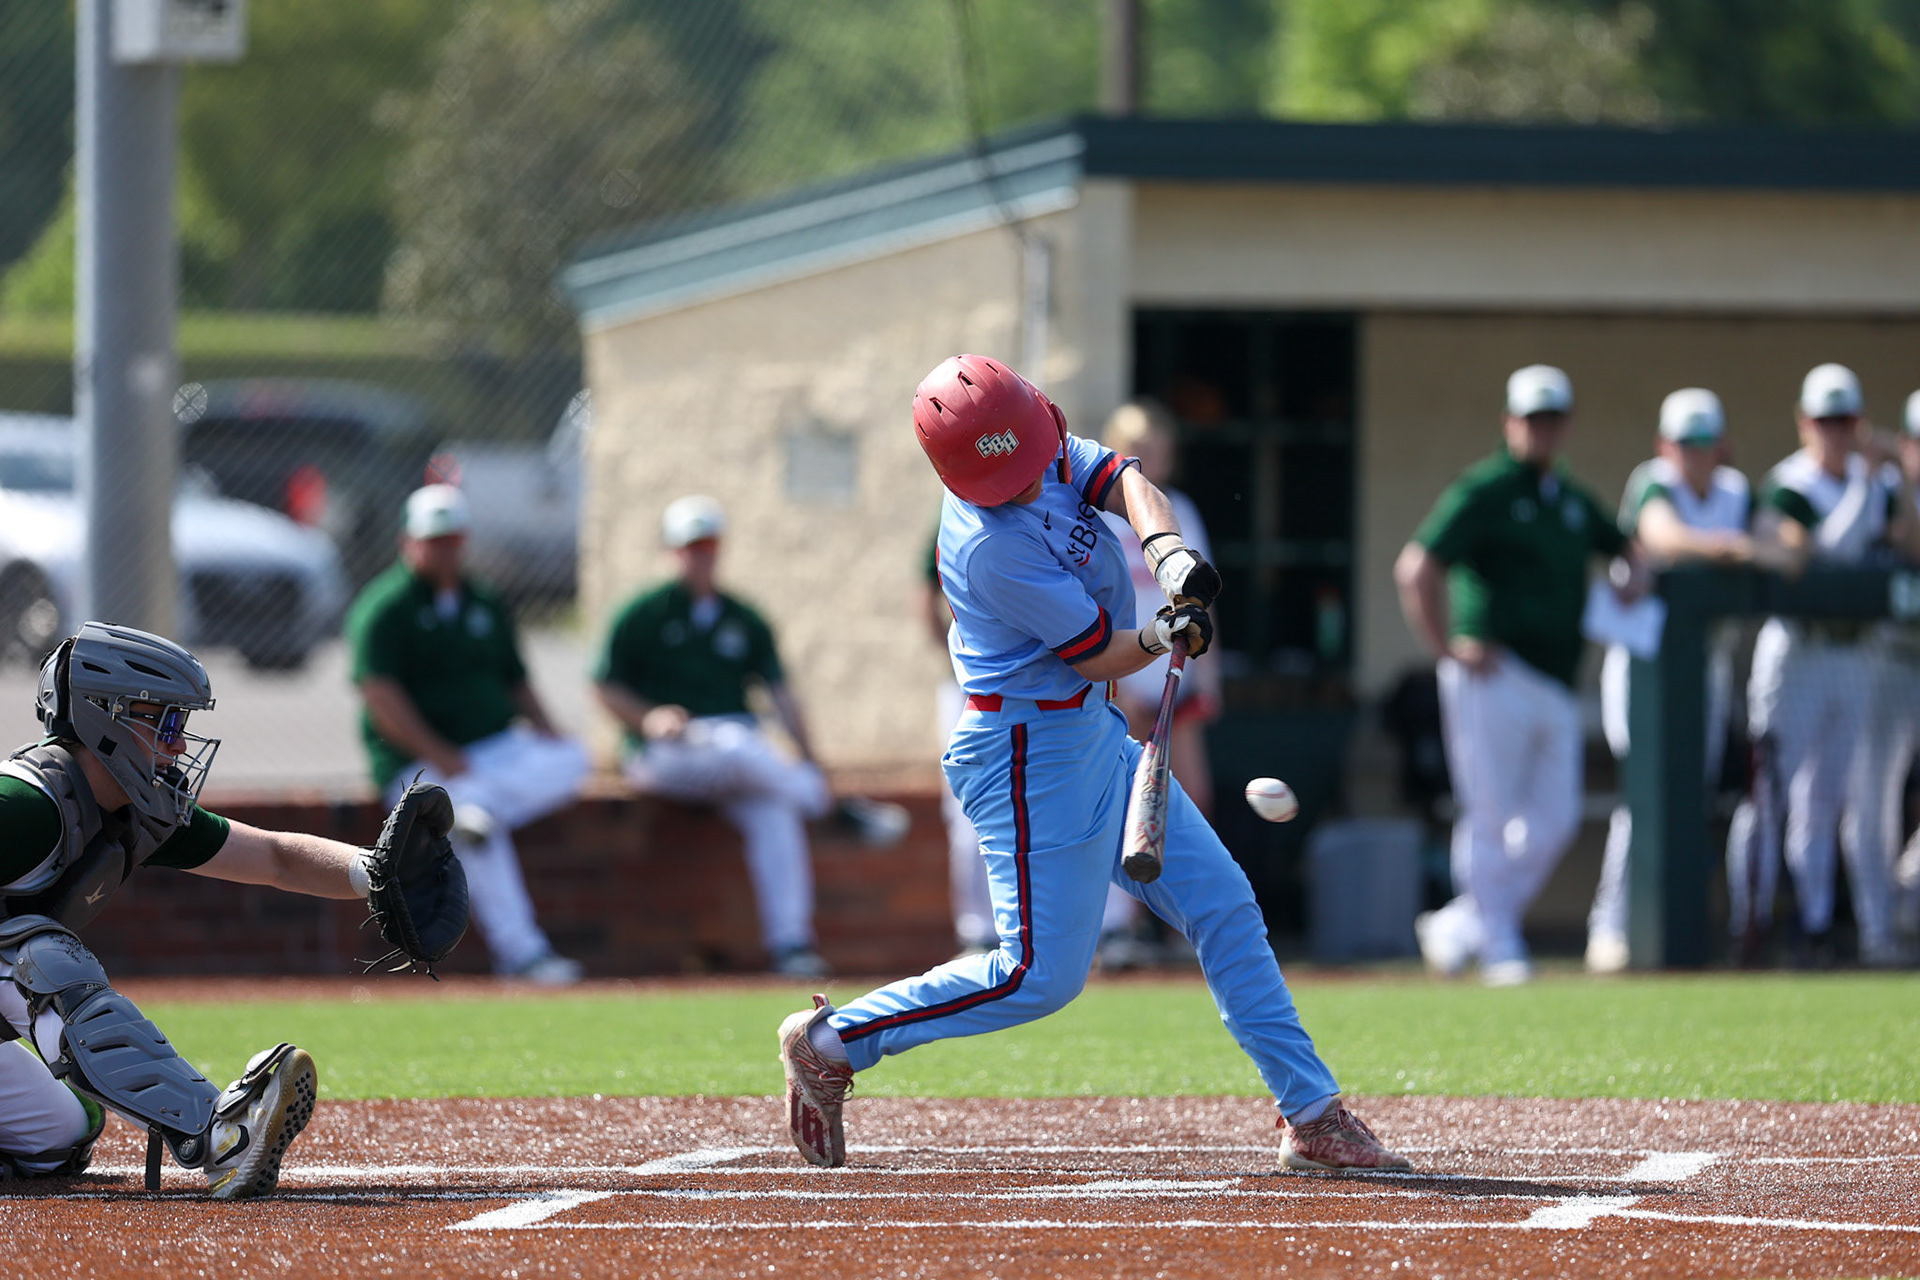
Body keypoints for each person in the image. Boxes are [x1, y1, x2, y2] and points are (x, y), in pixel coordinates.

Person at [777, 354, 1408, 1173]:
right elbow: (1095, 656)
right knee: (1038, 975)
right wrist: (1159, 634)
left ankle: (1311, 1113)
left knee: (1223, 905)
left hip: (1089, 736)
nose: (1042, 474)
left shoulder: (1022, 441)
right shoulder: (987, 549)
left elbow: (1121, 478)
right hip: (1025, 753)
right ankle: (834, 1042)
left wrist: (1171, 556)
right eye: (1019, 473)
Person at [0, 623, 382, 1195]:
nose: (179, 745)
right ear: (105, 717)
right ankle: (220, 1136)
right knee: (44, 961)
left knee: (59, 1133)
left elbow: (277, 858)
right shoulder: (27, 806)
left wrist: (374, 874)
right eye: (166, 722)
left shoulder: (129, 809)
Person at [1395, 365, 1645, 987]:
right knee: (1487, 809)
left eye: (1553, 418)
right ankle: (1500, 940)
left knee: (1556, 819)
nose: (1542, 430)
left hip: (1555, 682)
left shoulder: (1569, 497)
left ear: (1566, 425)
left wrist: (1636, 572)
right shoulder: (1486, 488)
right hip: (1492, 673)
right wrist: (1445, 649)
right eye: (1532, 418)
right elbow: (1416, 567)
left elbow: (1623, 546)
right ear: (1510, 422)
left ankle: (1463, 923)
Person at [596, 495, 908, 980]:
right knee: (739, 748)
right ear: (671, 551)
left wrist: (811, 758)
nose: (699, 556)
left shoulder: (742, 617)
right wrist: (649, 717)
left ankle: (792, 945)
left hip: (738, 755)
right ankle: (833, 808)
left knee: (775, 812)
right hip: (666, 753)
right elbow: (604, 684)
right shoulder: (643, 613)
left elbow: (782, 696)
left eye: (708, 545)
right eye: (689, 546)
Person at [346, 483, 588, 984]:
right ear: (407, 542)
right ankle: (523, 954)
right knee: (476, 831)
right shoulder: (385, 605)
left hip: (490, 757)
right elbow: (380, 697)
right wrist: (439, 752)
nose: (444, 548)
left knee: (574, 758)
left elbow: (516, 680)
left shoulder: (484, 599)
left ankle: (479, 807)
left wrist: (547, 731)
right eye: (432, 539)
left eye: (452, 538)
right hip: (421, 767)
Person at [1732, 364, 1920, 965]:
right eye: (1823, 421)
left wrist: (1892, 469)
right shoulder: (1789, 484)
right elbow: (1818, 554)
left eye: (1844, 422)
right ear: (1803, 422)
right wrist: (1869, 482)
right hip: (1799, 651)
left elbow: (1910, 542)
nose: (1834, 434)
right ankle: (1750, 921)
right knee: (1770, 793)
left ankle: (1814, 924)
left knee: (1827, 798)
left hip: (1855, 653)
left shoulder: (1881, 483)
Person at [1586, 389, 1767, 973]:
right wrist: (1730, 548)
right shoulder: (1653, 480)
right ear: (1666, 445)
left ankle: (1679, 931)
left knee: (1694, 797)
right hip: (1644, 665)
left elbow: (1778, 541)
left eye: (1704, 443)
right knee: (1643, 799)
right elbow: (1660, 535)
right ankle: (1611, 927)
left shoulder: (1738, 491)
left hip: (1705, 666)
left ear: (1722, 446)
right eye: (1684, 444)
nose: (1694, 454)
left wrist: (1757, 546)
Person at [1095, 400, 1221, 970]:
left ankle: (1186, 920)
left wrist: (1207, 673)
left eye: (1163, 444)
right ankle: (1119, 928)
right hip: (1123, 673)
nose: (1157, 456)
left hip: (1175, 670)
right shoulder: (1099, 513)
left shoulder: (1182, 510)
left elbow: (1201, 590)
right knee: (1123, 803)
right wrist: (1124, 683)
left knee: (1190, 798)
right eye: (1143, 444)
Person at [919, 532, 998, 958]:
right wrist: (960, 658)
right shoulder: (949, 515)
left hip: (1026, 686)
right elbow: (923, 597)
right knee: (967, 808)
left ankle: (1103, 931)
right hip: (967, 687)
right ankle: (976, 932)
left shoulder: (1043, 500)